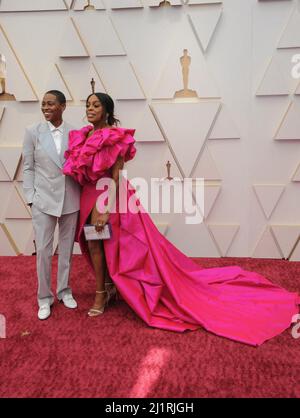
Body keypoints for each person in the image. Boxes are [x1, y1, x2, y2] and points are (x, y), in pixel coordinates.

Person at [63, 92, 300, 346]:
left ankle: (102, 295)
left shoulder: (115, 137)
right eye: (87, 105)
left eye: (95, 105)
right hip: (89, 195)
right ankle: (107, 289)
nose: (89, 109)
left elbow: (117, 175)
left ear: (107, 110)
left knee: (120, 247)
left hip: (110, 195)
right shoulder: (82, 137)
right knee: (94, 243)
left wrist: (105, 207)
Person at [22, 90, 81, 320]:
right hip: (43, 200)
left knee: (66, 249)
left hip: (70, 197)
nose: (46, 107)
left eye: (51, 104)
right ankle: (44, 298)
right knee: (44, 252)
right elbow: (28, 167)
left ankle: (64, 291)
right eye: (43, 104)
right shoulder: (32, 132)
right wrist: (30, 197)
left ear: (63, 106)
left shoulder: (75, 132)